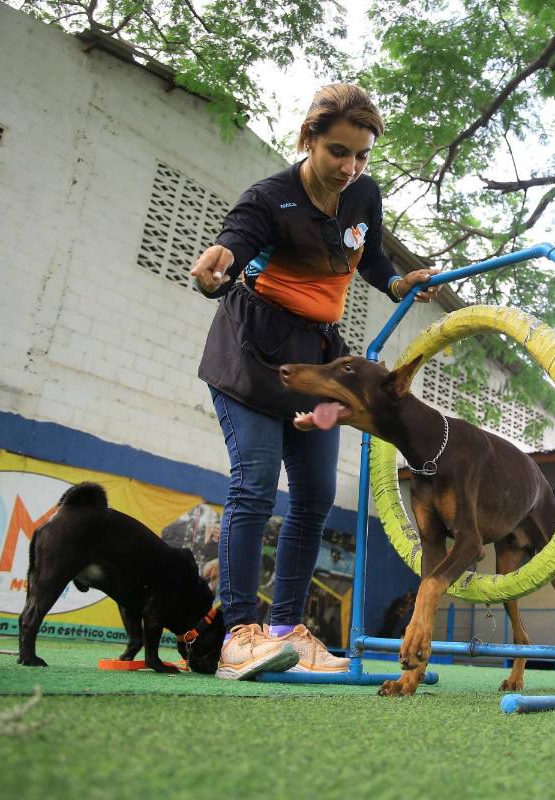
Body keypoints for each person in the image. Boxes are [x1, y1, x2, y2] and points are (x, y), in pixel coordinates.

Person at [190, 83, 440, 680]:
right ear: (309, 139)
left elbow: (368, 254)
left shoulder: (363, 195)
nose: (350, 167)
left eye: (362, 155)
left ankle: (288, 632)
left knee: (314, 495)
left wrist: (397, 283)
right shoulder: (269, 198)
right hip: (252, 353)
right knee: (255, 484)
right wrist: (217, 262)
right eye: (338, 152)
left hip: (316, 359)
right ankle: (239, 635)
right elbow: (234, 241)